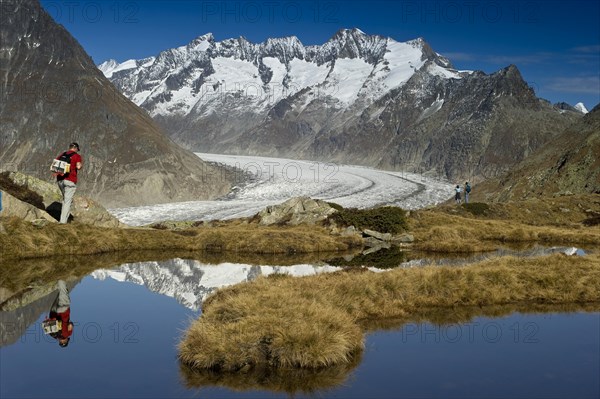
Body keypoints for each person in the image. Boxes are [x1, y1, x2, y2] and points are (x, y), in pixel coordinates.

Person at [55, 142, 83, 224]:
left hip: (60, 180)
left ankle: (63, 219)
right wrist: (80, 164)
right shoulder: (77, 156)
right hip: (70, 180)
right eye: (77, 149)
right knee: (67, 201)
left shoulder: (62, 155)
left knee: (65, 200)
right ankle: (63, 222)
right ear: (76, 148)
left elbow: (55, 164)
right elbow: (78, 167)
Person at [45, 280, 74, 348]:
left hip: (63, 311)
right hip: (53, 312)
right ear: (60, 342)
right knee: (61, 293)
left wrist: (70, 326)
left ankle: (61, 277)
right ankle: (58, 278)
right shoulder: (54, 336)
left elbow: (70, 325)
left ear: (66, 341)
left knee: (64, 294)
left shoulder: (67, 334)